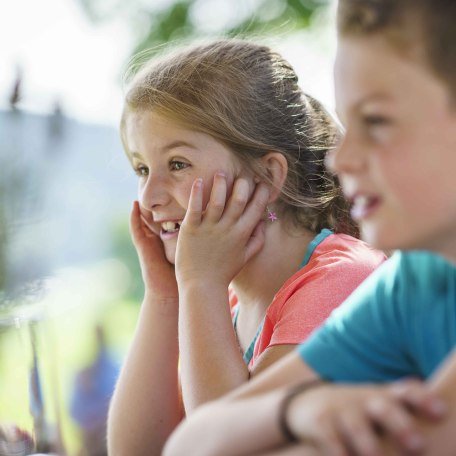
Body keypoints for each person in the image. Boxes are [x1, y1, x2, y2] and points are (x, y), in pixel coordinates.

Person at [163, 1, 456, 455]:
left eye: (376, 121)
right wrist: (295, 407)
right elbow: (191, 444)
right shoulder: (415, 286)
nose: (340, 158)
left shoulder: (353, 274)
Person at [107, 39, 386, 455]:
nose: (149, 197)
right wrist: (167, 294)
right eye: (142, 169)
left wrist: (199, 283)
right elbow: (138, 450)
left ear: (268, 177)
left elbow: (226, 449)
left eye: (177, 164)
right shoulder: (228, 308)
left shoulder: (343, 280)